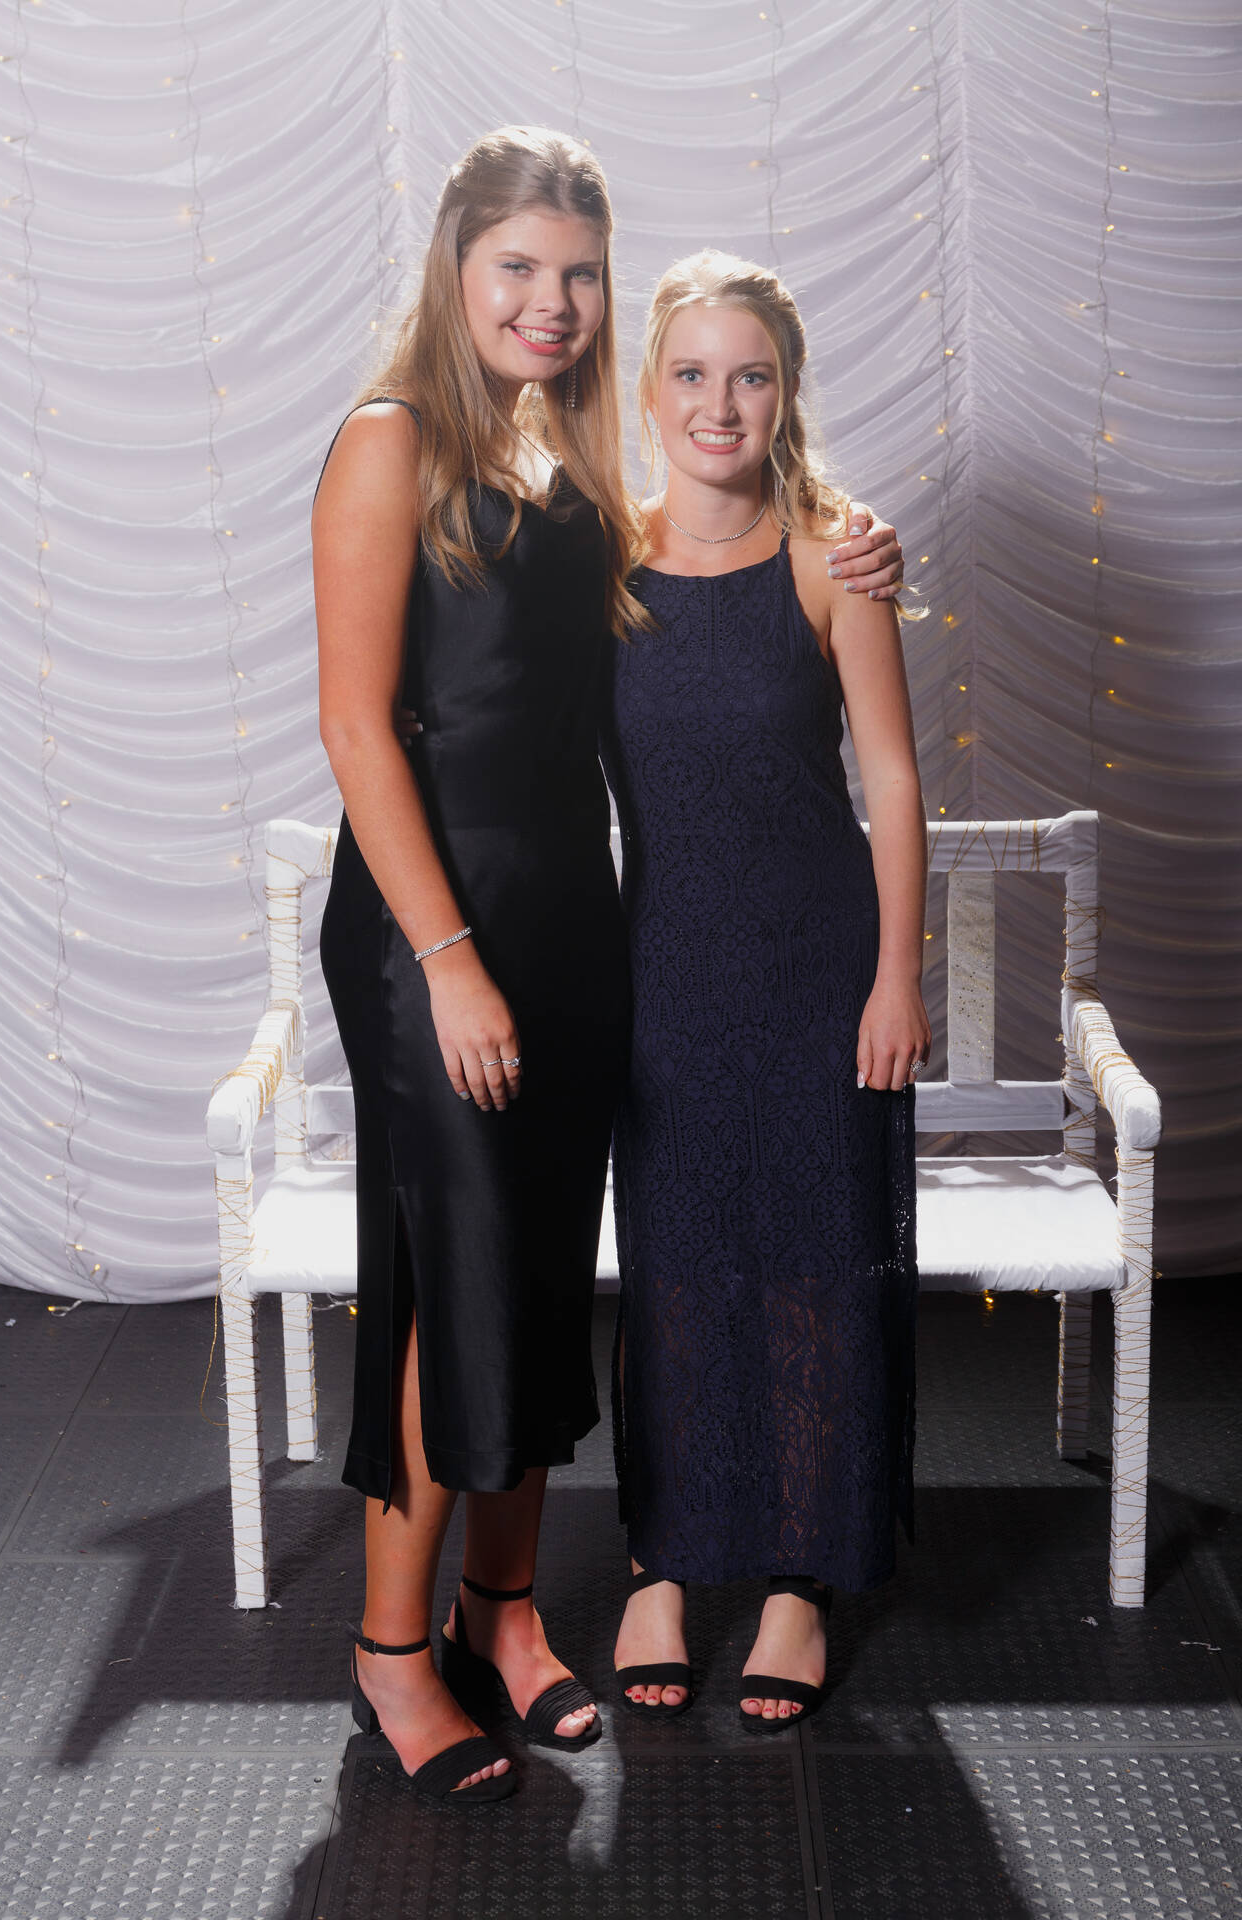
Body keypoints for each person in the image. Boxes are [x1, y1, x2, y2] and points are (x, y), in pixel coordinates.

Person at [313, 125, 644, 1805]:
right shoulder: (392, 442)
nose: (551, 301)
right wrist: (447, 962)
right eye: (519, 267)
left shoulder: (569, 459)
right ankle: (392, 1656)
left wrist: (842, 544)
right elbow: (358, 729)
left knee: (540, 1275)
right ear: (456, 265)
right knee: (455, 1287)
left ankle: (501, 1615)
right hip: (429, 923)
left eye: (578, 273)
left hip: (568, 915)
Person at [600, 250, 928, 1732]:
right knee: (672, 1261)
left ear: (786, 394)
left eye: (750, 376)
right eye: (691, 373)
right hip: (661, 966)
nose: (718, 403)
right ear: (649, 390)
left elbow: (894, 780)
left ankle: (800, 1573)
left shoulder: (830, 560)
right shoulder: (602, 567)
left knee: (813, 1256)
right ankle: (664, 1559)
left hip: (816, 966)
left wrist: (897, 975)